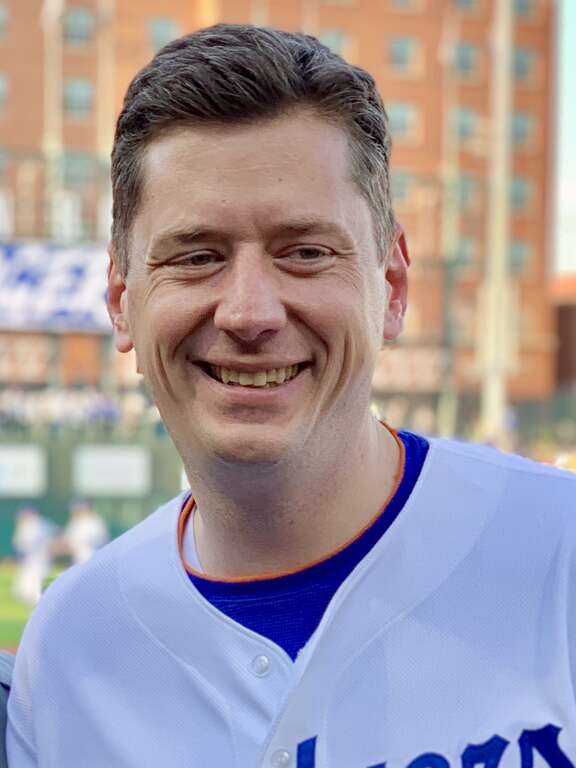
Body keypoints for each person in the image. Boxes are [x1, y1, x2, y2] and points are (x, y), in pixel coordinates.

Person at [6, 24, 576, 768]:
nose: (249, 313)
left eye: (306, 252)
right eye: (197, 257)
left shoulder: (560, 551)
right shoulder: (69, 652)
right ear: (121, 301)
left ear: (391, 286)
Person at [10, 506, 56, 606]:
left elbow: (25, 545)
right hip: (30, 562)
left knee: (32, 590)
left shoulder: (36, 525)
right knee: (21, 590)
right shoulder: (29, 526)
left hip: (38, 562)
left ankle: (45, 608)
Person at [59, 499, 109, 565]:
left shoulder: (95, 523)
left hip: (90, 561)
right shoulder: (74, 522)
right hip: (77, 561)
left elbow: (97, 542)